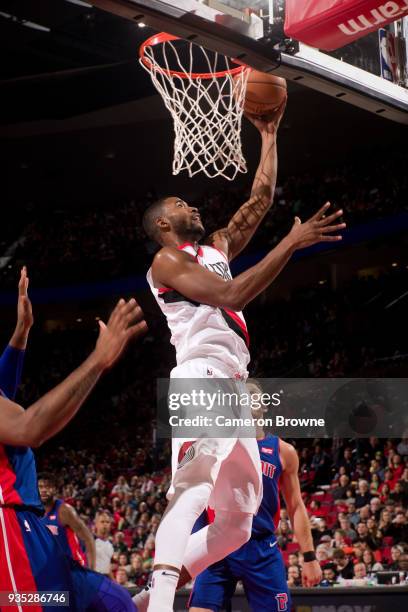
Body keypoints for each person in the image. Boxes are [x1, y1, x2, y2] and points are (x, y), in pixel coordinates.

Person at [141, 101, 345, 611]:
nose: (194, 206)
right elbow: (232, 297)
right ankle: (162, 603)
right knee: (194, 483)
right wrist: (291, 244)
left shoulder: (216, 248)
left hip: (233, 382)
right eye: (181, 205)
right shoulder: (167, 260)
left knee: (236, 521)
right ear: (164, 224)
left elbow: (260, 197)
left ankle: (150, 595)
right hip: (200, 375)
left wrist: (270, 134)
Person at [0, 267, 147, 610]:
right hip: (9, 537)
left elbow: (4, 381)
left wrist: (22, 332)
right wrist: (97, 360)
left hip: (30, 532)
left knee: (113, 602)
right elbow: (29, 428)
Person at [187, 380, 322, 612]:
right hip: (218, 544)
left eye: (253, 393)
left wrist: (309, 557)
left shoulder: (283, 451)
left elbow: (296, 506)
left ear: (265, 405)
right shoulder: (215, 445)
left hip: (260, 546)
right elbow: (194, 499)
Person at [39, 472, 95, 568]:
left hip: (73, 568)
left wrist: (92, 570)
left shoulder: (64, 511)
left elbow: (88, 539)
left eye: (48, 487)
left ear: (55, 490)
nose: (44, 490)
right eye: (40, 487)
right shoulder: (32, 513)